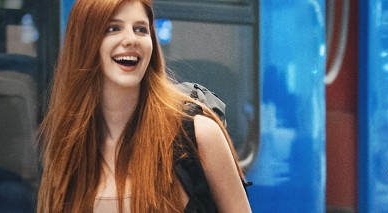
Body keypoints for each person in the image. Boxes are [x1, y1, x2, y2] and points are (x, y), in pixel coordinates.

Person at [35, 0, 251, 212]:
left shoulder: (197, 134)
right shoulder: (67, 144)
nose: (131, 39)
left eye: (141, 29)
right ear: (84, 42)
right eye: (113, 28)